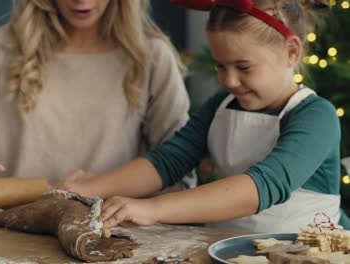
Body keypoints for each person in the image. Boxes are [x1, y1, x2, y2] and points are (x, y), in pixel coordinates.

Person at [57, 0, 350, 233]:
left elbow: (261, 187)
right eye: (221, 66)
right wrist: (88, 188)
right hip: (228, 248)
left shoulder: (315, 116)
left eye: (243, 67)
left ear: (291, 52)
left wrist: (154, 208)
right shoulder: (221, 105)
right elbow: (167, 161)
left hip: (306, 252)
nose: (229, 80)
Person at [0, 0, 190, 195]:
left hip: (110, 232)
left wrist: (112, 187)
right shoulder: (6, 47)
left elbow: (180, 174)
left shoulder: (151, 56)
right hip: (10, 231)